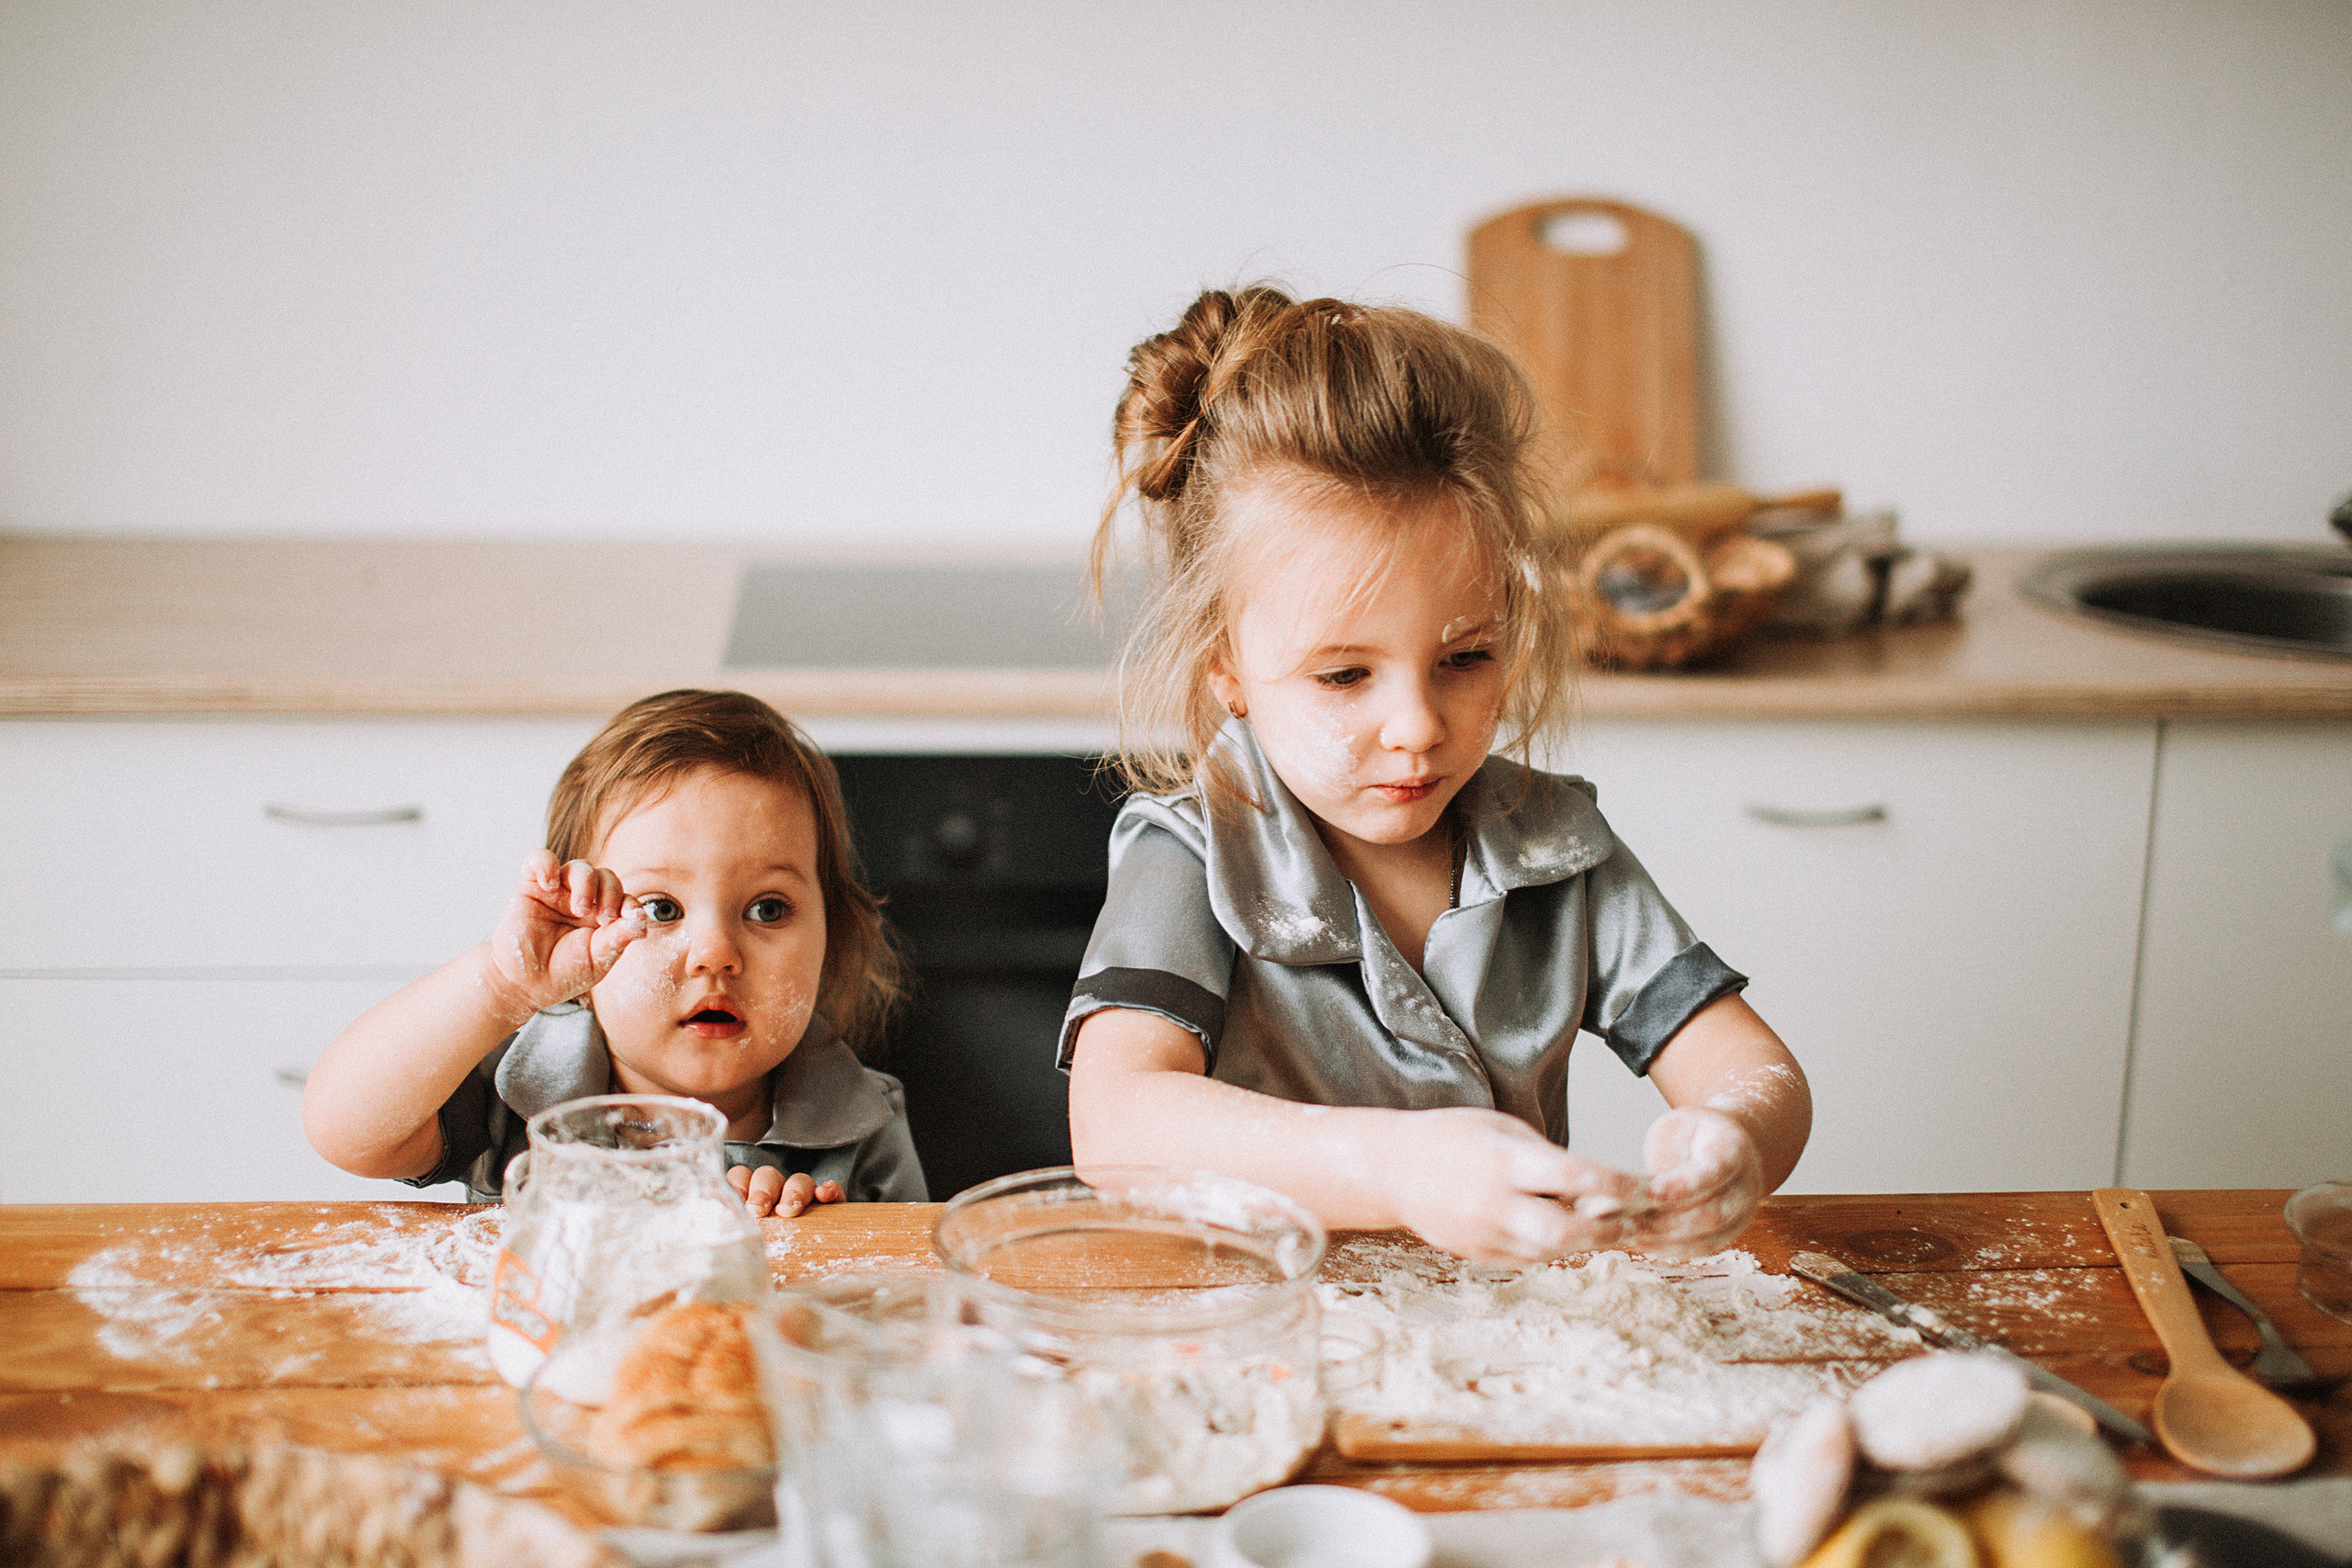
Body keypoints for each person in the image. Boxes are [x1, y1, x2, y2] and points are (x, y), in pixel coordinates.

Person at [1063, 286, 1810, 1266]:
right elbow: (1114, 1124)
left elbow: (1748, 1066)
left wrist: (1733, 1139)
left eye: (1464, 658)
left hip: (1510, 1331)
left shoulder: (1553, 848)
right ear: (1228, 671)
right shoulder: (1194, 856)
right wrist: (1396, 1168)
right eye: (1344, 675)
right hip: (1268, 1324)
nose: (1417, 725)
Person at [305, 689, 925, 1215]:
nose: (715, 953)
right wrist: (502, 987)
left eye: (767, 908)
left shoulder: (862, 1122)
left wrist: (819, 1239)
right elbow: (346, 1131)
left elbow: (904, 1296)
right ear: (581, 943)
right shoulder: (519, 1091)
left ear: (832, 933)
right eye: (661, 908)